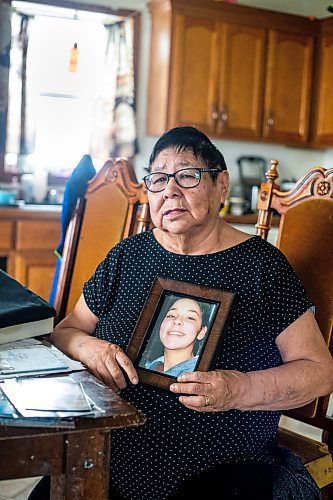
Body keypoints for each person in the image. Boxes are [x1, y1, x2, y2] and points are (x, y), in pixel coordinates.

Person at [36, 125, 333, 499]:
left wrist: (238, 389)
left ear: (220, 185)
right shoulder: (128, 255)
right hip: (106, 446)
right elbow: (67, 330)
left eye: (187, 176)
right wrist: (88, 348)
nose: (170, 191)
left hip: (218, 466)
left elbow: (320, 372)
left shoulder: (261, 267)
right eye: (158, 179)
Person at [143, 297, 208, 377]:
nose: (177, 321)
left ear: (201, 332)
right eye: (171, 315)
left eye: (190, 318)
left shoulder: (195, 376)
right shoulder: (152, 364)